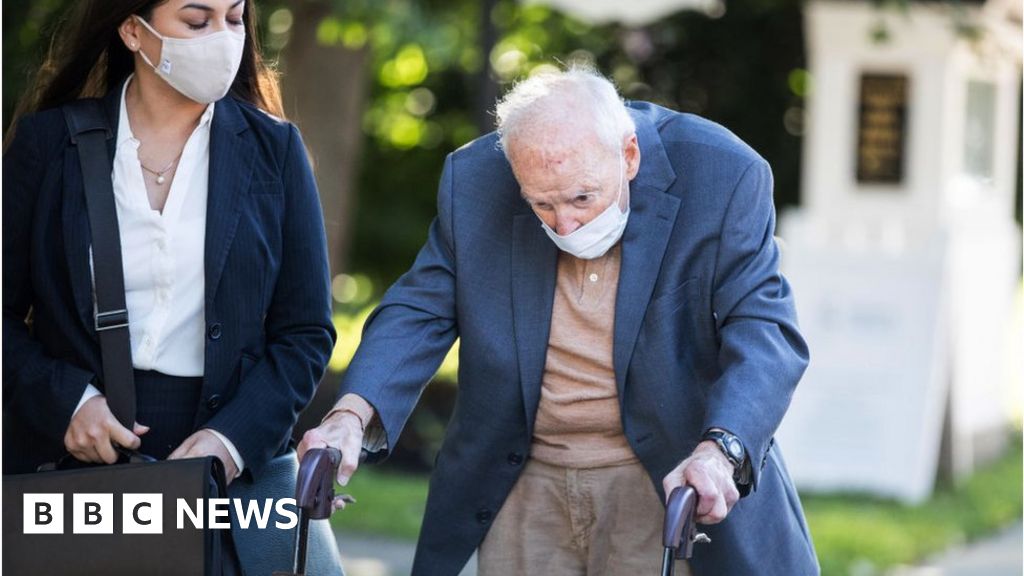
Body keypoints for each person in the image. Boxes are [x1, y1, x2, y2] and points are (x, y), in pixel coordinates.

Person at [299, 66, 818, 575]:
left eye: (582, 198)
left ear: (629, 156)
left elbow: (763, 330)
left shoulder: (723, 174)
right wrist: (350, 415)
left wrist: (720, 449)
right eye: (541, 204)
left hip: (663, 468)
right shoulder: (477, 179)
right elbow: (421, 308)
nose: (564, 223)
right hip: (523, 475)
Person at [3, 0, 340, 572]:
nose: (223, 37)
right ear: (134, 31)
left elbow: (305, 334)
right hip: (72, 456)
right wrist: (66, 403)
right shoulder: (48, 143)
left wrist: (229, 444)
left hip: (220, 464)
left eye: (235, 19)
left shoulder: (275, 151)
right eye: (196, 20)